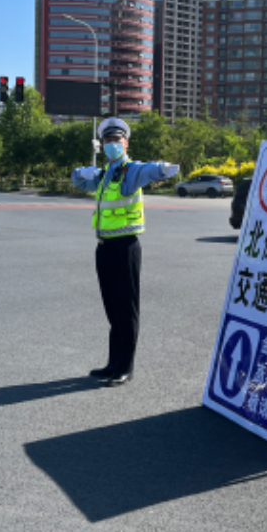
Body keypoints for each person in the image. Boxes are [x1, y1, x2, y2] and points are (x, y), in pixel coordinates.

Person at [72, 117, 180, 387]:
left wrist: (164, 168)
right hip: (104, 247)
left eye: (116, 141)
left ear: (125, 143)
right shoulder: (104, 174)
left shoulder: (131, 171)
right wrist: (83, 170)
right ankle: (112, 362)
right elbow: (78, 179)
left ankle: (125, 367)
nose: (112, 145)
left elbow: (152, 171)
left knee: (126, 308)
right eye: (108, 141)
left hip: (125, 248)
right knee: (112, 308)